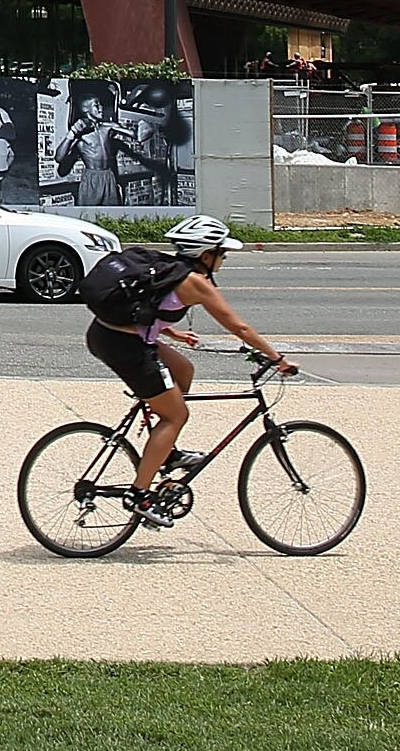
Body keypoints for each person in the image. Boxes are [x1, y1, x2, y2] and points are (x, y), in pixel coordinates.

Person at [85, 213, 293, 523]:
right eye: (221, 253)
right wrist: (278, 359)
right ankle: (140, 495)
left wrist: (174, 333)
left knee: (183, 370)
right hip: (124, 346)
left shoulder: (172, 268)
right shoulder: (195, 282)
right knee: (177, 414)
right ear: (206, 255)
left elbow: (149, 307)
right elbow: (239, 327)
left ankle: (165, 449)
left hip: (107, 334)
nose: (223, 259)